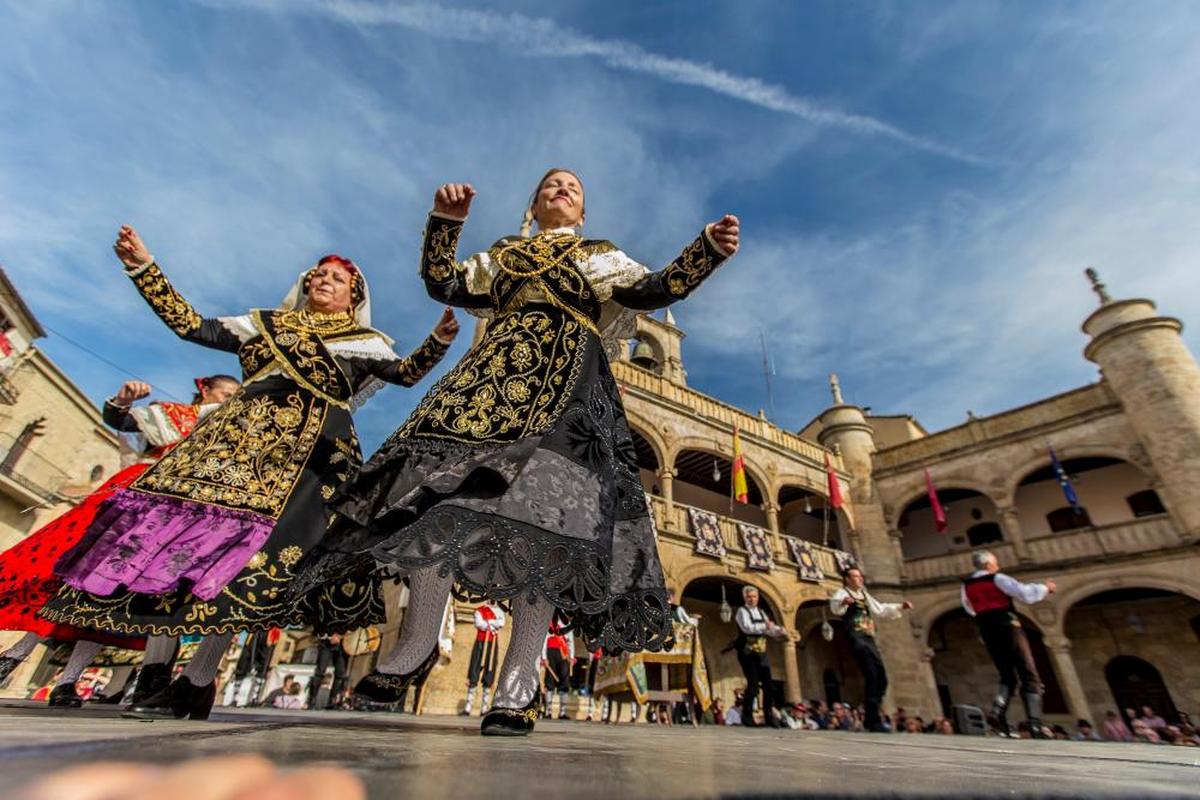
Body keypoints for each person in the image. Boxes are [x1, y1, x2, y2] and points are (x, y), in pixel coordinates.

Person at [292, 170, 739, 737]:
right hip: (488, 383)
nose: (561, 189)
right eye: (551, 184)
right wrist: (446, 225)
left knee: (551, 528)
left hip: (568, 388)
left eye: (572, 187)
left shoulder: (600, 256)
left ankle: (521, 679)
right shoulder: (505, 255)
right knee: (430, 500)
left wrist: (705, 251)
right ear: (532, 203)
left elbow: (652, 289)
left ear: (582, 210)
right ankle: (420, 636)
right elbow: (443, 282)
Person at [40, 226, 457, 721]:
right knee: (179, 552)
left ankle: (198, 675)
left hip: (307, 462)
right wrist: (143, 268)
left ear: (354, 297)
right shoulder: (263, 324)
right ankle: (154, 672)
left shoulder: (366, 343)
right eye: (318, 275)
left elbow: (407, 373)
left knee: (251, 567)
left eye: (337, 279)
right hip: (227, 448)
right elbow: (190, 325)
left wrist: (437, 341)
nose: (323, 282)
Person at [0, 375, 238, 708]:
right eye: (226, 394)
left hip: (171, 517)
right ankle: (14, 655)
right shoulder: (175, 415)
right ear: (206, 390)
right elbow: (122, 420)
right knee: (76, 581)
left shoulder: (228, 435)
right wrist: (122, 400)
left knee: (114, 596)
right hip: (134, 503)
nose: (229, 401)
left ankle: (68, 680)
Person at [960, 549, 1056, 739]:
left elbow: (969, 608)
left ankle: (997, 711)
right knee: (1029, 673)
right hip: (1007, 626)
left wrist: (986, 614)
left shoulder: (966, 585)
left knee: (1007, 674)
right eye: (995, 563)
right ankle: (1035, 725)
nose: (998, 566)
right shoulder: (997, 579)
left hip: (986, 629)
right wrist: (1046, 588)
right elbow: (1024, 593)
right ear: (988, 565)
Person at [828, 566, 913, 733]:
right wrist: (844, 603)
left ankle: (872, 715)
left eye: (860, 576)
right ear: (847, 579)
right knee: (872, 675)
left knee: (881, 677)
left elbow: (879, 609)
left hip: (869, 637)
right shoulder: (843, 593)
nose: (860, 579)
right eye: (855, 576)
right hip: (856, 636)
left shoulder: (864, 594)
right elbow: (835, 606)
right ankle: (872, 720)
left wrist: (900, 606)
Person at [734, 585, 793, 728]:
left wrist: (780, 631)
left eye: (754, 596)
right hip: (747, 652)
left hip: (761, 652)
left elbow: (770, 630)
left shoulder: (761, 612)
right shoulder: (742, 612)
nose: (752, 599)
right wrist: (765, 626)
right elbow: (747, 628)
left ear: (758, 598)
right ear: (745, 597)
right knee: (753, 685)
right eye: (749, 596)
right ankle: (747, 717)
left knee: (768, 686)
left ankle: (769, 716)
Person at [461, 600, 506, 716]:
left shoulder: (500, 610)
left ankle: (484, 708)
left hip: (492, 643)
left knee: (489, 671)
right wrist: (493, 624)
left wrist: (488, 622)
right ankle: (468, 707)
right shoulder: (480, 610)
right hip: (481, 642)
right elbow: (479, 623)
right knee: (474, 668)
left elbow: (502, 623)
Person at [542, 617, 574, 720]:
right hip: (551, 652)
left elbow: (571, 641)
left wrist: (572, 656)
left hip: (563, 654)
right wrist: (544, 657)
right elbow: (544, 641)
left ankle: (562, 712)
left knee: (564, 682)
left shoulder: (567, 623)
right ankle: (548, 711)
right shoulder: (549, 622)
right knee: (550, 681)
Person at [307, 633, 348, 710]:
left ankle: (332, 701)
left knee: (340, 674)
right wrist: (330, 636)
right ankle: (312, 700)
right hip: (326, 642)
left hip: (343, 644)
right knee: (320, 671)